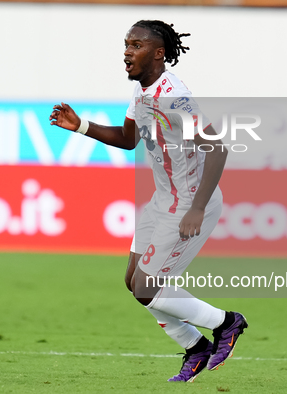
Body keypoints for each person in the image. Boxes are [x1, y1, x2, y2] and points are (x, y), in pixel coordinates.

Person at [50, 20, 247, 383]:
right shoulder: (141, 93)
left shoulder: (175, 96)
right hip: (162, 200)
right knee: (133, 282)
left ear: (158, 53)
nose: (127, 51)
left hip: (189, 201)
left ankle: (226, 323)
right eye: (126, 44)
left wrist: (197, 208)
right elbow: (128, 139)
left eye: (136, 45)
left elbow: (216, 148)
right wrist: (80, 126)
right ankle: (195, 346)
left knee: (147, 286)